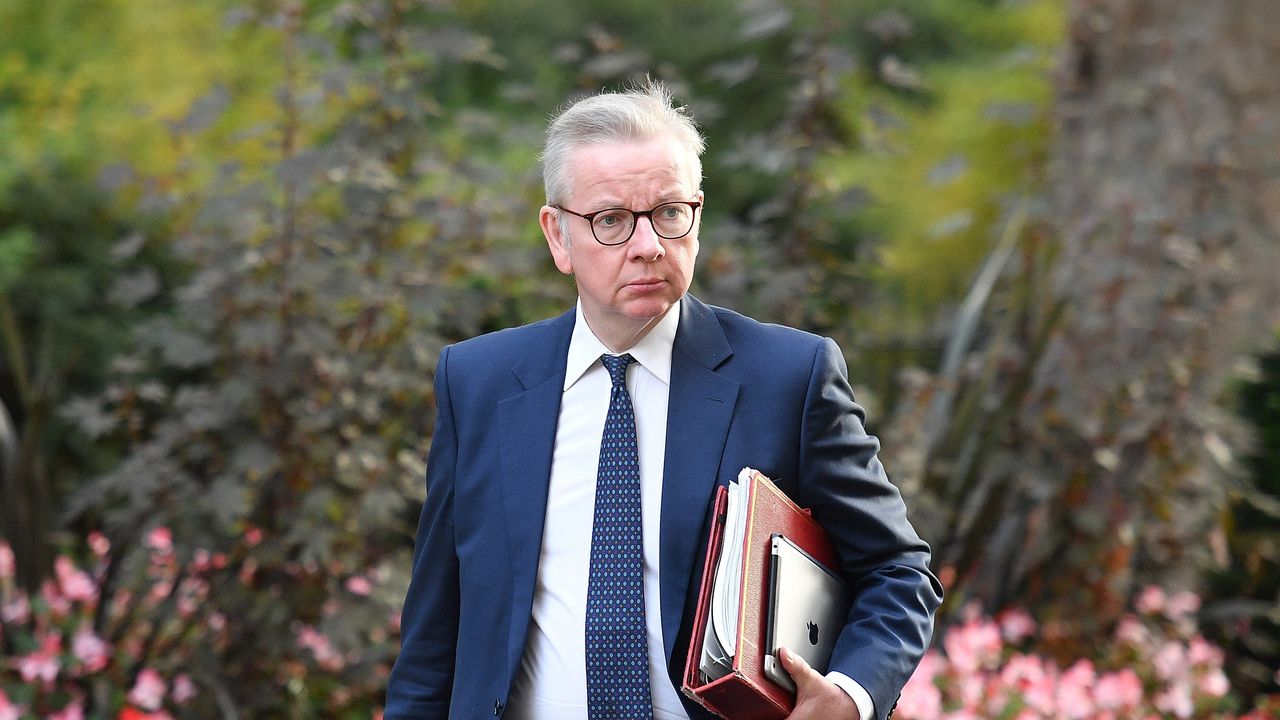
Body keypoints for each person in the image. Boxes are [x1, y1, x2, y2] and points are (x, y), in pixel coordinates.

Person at [386, 80, 942, 720]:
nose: (648, 245)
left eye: (669, 212)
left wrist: (849, 694)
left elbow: (898, 571)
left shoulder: (788, 377)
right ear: (558, 236)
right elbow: (435, 630)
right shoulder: (478, 381)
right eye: (612, 220)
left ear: (697, 216)